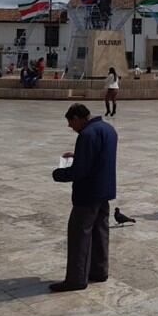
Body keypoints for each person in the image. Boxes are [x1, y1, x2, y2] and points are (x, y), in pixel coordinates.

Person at [50, 103, 118, 292]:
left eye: (71, 123)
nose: (70, 127)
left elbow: (80, 170)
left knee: (79, 235)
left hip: (87, 194)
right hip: (104, 191)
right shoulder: (108, 129)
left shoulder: (87, 135)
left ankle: (76, 279)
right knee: (100, 232)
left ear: (77, 118)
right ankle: (99, 271)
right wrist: (77, 155)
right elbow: (99, 156)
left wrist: (59, 174)